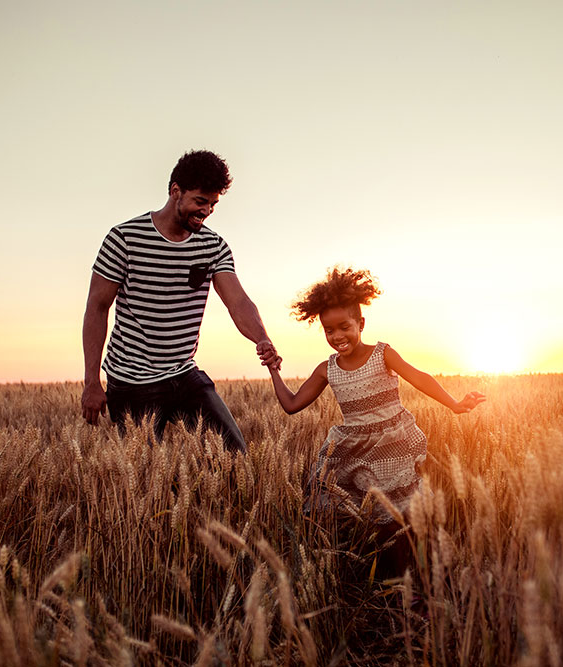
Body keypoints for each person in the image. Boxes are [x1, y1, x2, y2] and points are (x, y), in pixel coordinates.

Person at [266, 266, 485, 573]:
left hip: (392, 445)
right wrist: (273, 369)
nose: (338, 336)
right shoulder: (326, 369)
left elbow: (418, 377)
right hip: (353, 450)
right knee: (354, 514)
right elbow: (291, 404)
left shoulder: (383, 354)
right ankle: (368, 573)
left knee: (400, 516)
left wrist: (454, 404)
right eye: (329, 331)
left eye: (344, 326)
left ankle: (406, 578)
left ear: (361, 323)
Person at [81, 149, 278, 451]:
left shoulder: (213, 246)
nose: (207, 211)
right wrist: (92, 382)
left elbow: (237, 301)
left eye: (213, 204)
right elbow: (96, 308)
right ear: (175, 191)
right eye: (200, 201)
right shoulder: (124, 238)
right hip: (133, 382)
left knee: (235, 456)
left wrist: (261, 338)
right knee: (149, 483)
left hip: (184, 375)